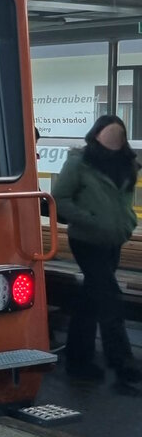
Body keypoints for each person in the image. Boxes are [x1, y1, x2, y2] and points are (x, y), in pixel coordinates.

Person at [52, 114, 142, 392]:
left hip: (113, 241)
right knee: (110, 298)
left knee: (91, 299)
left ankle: (79, 360)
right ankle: (123, 364)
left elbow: (124, 201)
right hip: (87, 240)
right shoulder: (79, 162)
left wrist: (127, 222)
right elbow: (60, 199)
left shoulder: (127, 163)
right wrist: (89, 218)